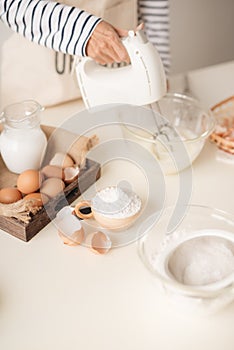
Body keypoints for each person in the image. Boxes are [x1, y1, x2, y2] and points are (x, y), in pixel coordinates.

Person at [0, 0, 170, 106]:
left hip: (119, 97)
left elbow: (153, 9)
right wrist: (84, 32)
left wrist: (159, 69)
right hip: (37, 101)